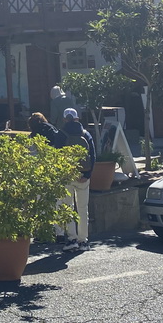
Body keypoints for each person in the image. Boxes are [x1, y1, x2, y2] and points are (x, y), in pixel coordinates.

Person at [58, 107, 96, 252]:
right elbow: (92, 156)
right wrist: (87, 175)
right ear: (77, 118)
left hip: (67, 176)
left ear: (64, 119)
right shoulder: (86, 134)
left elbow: (57, 155)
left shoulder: (61, 134)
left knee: (68, 208)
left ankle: (71, 239)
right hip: (83, 176)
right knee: (82, 209)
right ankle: (83, 241)